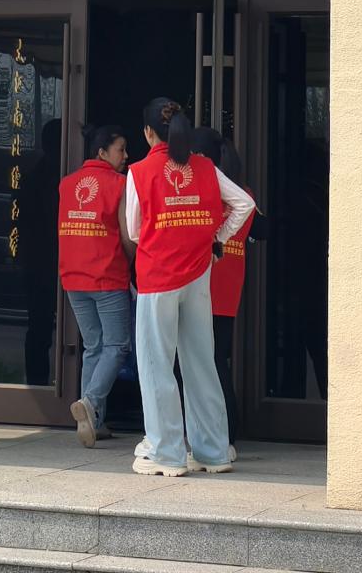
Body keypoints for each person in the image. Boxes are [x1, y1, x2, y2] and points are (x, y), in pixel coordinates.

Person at [125, 97, 253, 477]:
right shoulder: (205, 167)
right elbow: (244, 204)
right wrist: (216, 238)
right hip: (198, 275)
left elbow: (134, 229)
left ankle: (166, 453)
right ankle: (213, 451)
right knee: (201, 363)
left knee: (156, 364)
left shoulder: (140, 172)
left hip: (157, 278)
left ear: (148, 133)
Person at [58, 124, 133, 448]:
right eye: (121, 149)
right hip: (107, 275)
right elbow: (127, 234)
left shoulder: (66, 184)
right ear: (102, 152)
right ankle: (89, 403)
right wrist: (135, 261)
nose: (126, 156)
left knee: (93, 346)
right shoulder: (120, 184)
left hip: (73, 277)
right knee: (117, 346)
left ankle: (93, 422)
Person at [191, 127, 252, 452]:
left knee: (202, 362)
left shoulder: (207, 189)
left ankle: (222, 434)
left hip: (204, 283)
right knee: (217, 361)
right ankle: (225, 434)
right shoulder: (243, 192)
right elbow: (262, 228)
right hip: (228, 288)